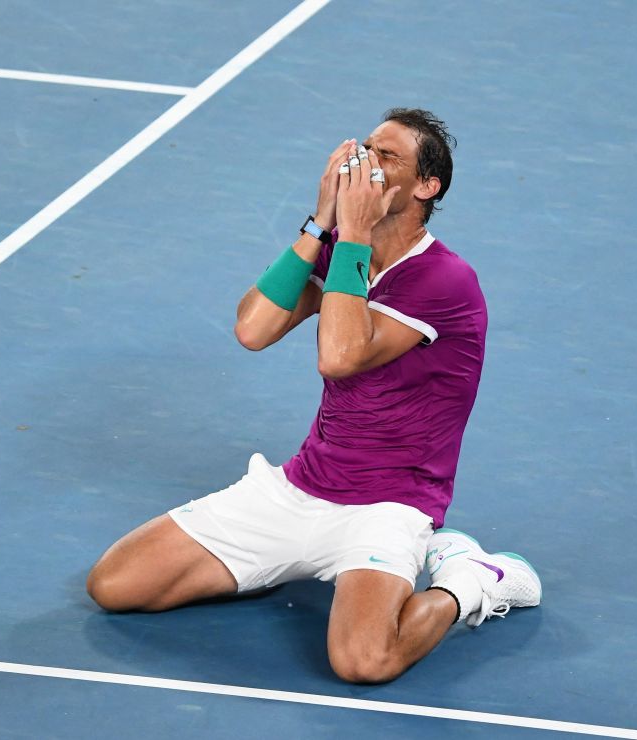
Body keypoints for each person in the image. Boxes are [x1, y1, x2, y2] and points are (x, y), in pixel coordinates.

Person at [86, 108, 541, 683]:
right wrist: (322, 221)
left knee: (364, 662)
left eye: (389, 157)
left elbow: (341, 356)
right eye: (368, 150)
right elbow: (253, 330)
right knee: (115, 584)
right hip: (300, 488)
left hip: (389, 505)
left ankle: (471, 577)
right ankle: (283, 556)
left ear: (428, 186)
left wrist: (350, 233)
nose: (368, 165)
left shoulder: (445, 280)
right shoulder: (341, 253)